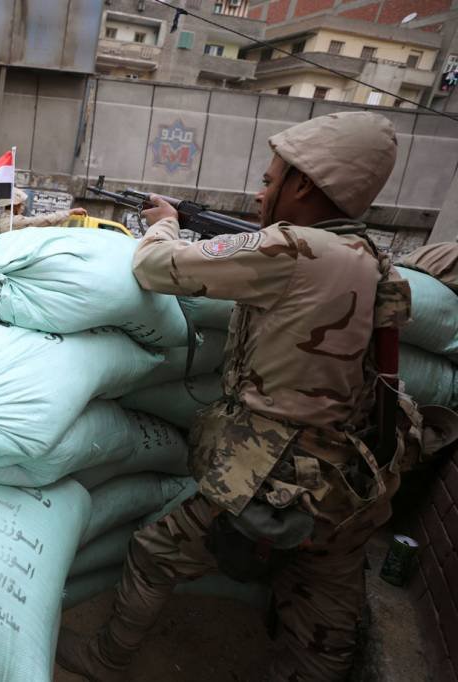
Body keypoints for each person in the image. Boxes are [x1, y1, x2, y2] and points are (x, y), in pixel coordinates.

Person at [56, 112, 449, 681]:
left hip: (276, 477)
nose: (263, 193)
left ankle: (104, 660)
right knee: (324, 613)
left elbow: (152, 266)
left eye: (270, 181)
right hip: (353, 479)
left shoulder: (290, 251)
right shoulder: (375, 261)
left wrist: (166, 223)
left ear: (305, 185)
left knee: (156, 551)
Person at [0, 187, 86, 246]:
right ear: (16, 205)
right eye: (21, 204)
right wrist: (70, 212)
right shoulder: (17, 221)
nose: (23, 207)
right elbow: (46, 220)